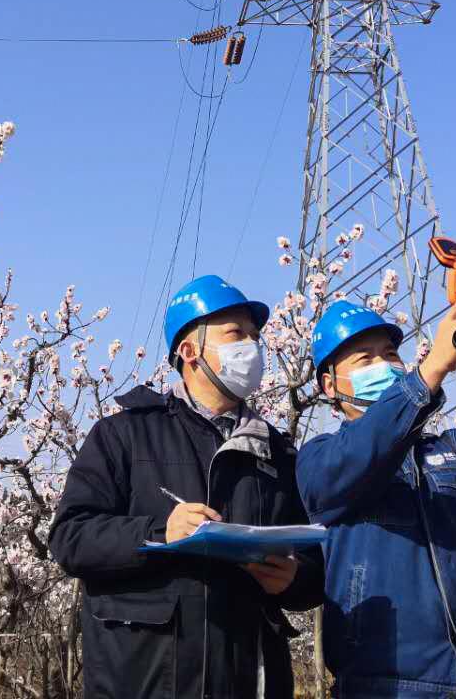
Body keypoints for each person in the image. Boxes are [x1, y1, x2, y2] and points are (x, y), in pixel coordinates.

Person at [49, 274, 323, 699]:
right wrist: (159, 535)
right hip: (145, 680)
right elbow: (70, 538)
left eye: (254, 336)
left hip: (248, 677)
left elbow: (313, 566)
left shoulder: (277, 452)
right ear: (189, 351)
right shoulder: (123, 435)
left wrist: (292, 579)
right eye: (236, 333)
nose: (251, 347)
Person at [296, 291, 456, 699]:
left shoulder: (452, 455)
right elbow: (359, 456)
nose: (384, 365)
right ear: (329, 385)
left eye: (391, 354)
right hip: (386, 686)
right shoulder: (319, 458)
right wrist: (428, 373)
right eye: (365, 359)